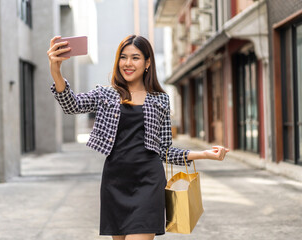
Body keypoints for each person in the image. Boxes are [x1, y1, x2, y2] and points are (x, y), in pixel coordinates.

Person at [47, 35, 229, 240]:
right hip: (115, 182)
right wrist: (56, 71)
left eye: (135, 58)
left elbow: (165, 150)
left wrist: (204, 154)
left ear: (147, 62)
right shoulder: (106, 95)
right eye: (123, 57)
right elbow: (71, 105)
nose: (127, 63)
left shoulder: (160, 100)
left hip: (148, 182)